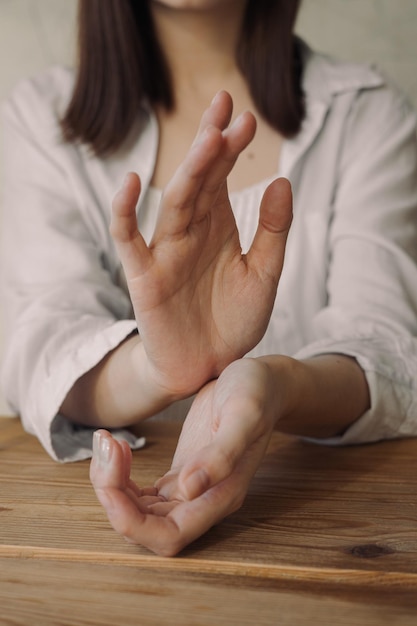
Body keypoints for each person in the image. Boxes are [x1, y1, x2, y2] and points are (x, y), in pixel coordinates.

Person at [1, 0, 417, 556]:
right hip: (81, 539)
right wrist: (158, 369)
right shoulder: (38, 118)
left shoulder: (366, 114)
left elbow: (389, 350)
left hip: (315, 532)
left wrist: (277, 387)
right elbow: (38, 339)